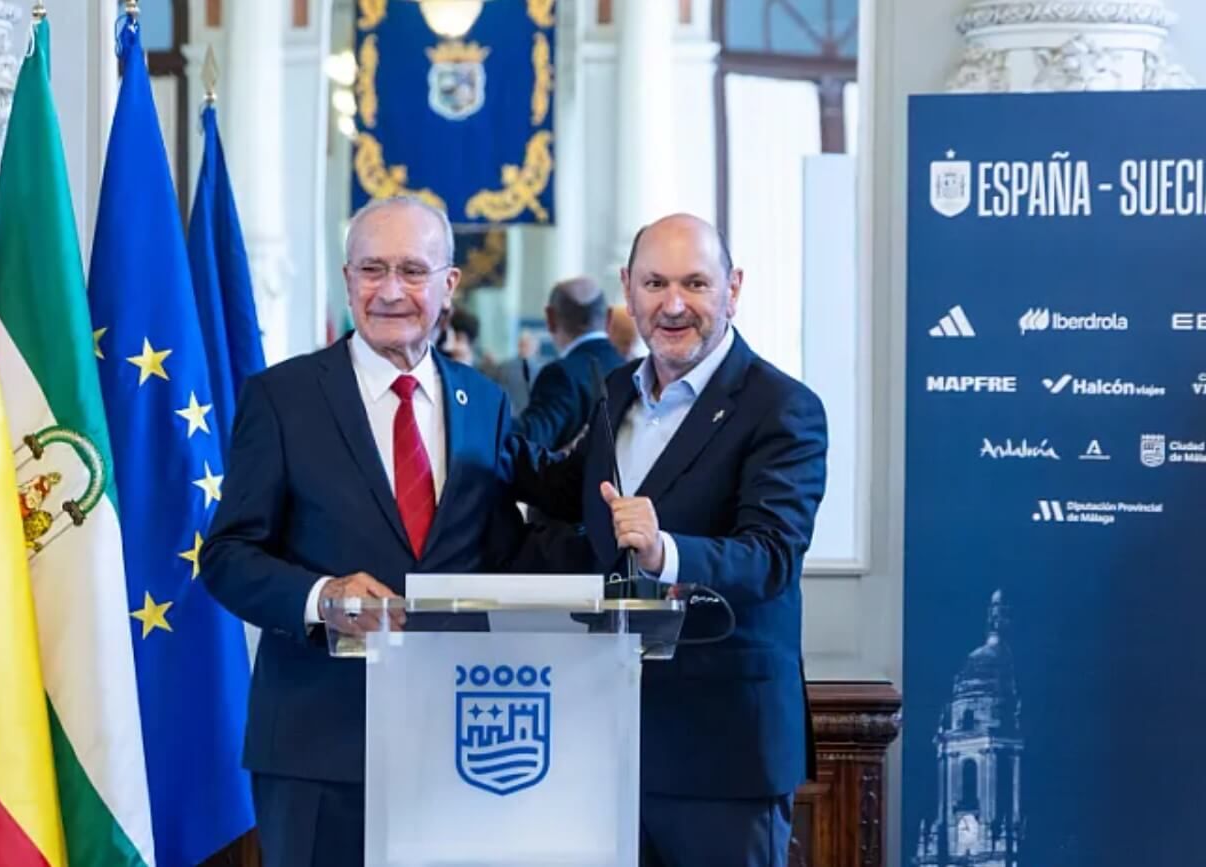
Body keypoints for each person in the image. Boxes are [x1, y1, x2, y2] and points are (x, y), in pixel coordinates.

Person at [199, 196, 527, 867]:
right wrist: (323, 596)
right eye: (371, 270)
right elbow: (228, 556)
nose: (390, 291)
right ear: (347, 280)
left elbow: (503, 552)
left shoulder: (486, 401)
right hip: (317, 745)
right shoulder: (280, 398)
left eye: (411, 270)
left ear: (448, 285)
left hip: (459, 741)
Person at [512, 213, 828, 867]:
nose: (673, 304)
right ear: (627, 289)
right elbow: (552, 487)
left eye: (694, 283)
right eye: (654, 283)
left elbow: (770, 554)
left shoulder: (783, 407)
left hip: (723, 752)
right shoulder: (612, 393)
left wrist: (666, 551)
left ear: (732, 288)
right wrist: (448, 410)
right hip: (604, 739)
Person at [513, 277, 625, 451]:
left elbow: (528, 445)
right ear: (609, 317)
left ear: (550, 318)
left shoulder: (560, 375)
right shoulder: (631, 369)